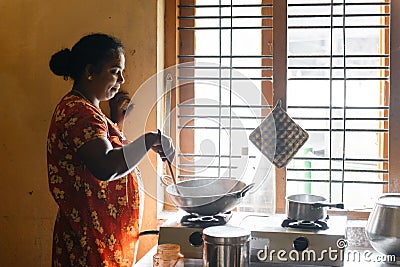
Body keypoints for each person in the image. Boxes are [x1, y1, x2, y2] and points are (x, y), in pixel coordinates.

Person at [47, 33, 175, 267]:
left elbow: (93, 151)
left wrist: (116, 123)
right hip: (89, 240)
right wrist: (147, 140)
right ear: (90, 71)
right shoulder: (79, 113)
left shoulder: (86, 110)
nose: (122, 79)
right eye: (115, 71)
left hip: (98, 236)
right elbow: (105, 166)